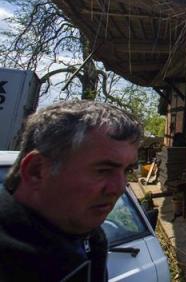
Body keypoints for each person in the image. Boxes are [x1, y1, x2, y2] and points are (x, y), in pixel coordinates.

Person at [0, 100, 142, 282]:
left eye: (127, 170)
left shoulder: (87, 236)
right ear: (36, 171)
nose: (120, 187)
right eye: (103, 170)